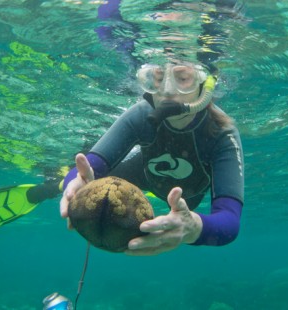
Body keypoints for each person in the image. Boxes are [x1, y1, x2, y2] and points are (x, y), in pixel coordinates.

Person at [59, 60, 244, 256]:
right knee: (78, 178)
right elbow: (91, 164)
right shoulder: (141, 114)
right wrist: (75, 183)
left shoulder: (222, 133)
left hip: (189, 196)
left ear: (204, 85)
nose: (166, 92)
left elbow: (230, 219)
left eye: (182, 78)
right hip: (142, 174)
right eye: (157, 78)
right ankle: (51, 184)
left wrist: (193, 226)